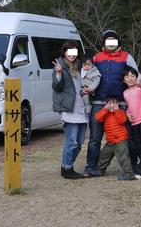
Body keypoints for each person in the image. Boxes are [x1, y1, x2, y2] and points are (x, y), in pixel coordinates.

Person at [84, 29, 138, 177]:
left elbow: (135, 75)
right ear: (104, 43)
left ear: (118, 42)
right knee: (95, 137)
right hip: (99, 102)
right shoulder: (97, 57)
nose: (111, 43)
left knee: (126, 136)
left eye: (114, 40)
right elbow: (88, 75)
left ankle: (132, 167)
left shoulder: (126, 57)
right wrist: (89, 89)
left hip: (121, 103)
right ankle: (91, 168)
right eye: (108, 41)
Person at [52, 41, 88, 180]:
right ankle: (67, 168)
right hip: (69, 109)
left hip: (82, 107)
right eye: (69, 52)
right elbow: (56, 87)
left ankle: (67, 165)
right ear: (64, 52)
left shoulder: (80, 65)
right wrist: (59, 73)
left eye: (75, 52)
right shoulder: (59, 66)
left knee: (79, 142)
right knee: (71, 141)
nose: (72, 55)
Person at [95, 96, 135, 181]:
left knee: (123, 157)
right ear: (105, 104)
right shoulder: (105, 113)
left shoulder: (120, 112)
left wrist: (116, 110)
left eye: (114, 103)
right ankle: (100, 170)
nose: (112, 105)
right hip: (110, 141)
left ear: (118, 104)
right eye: (109, 103)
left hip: (121, 140)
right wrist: (105, 109)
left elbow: (122, 120)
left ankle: (129, 174)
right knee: (103, 155)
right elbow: (98, 118)